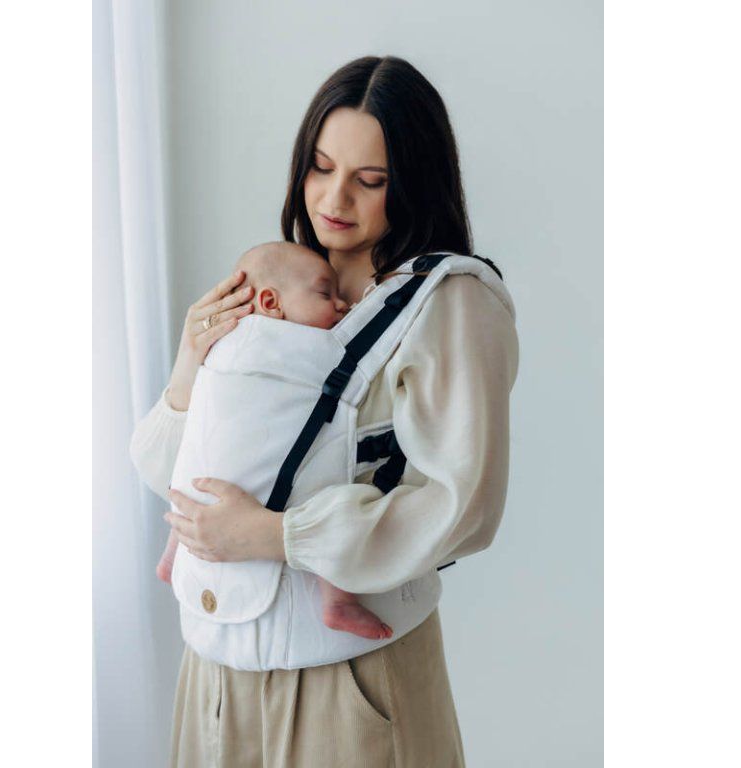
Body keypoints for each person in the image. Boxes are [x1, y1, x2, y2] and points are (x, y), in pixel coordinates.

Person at [129, 55, 519, 767]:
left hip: (348, 683)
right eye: (320, 167)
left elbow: (464, 508)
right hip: (213, 676)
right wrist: (191, 359)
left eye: (370, 180)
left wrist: (279, 535)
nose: (334, 198)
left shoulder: (448, 303)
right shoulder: (280, 281)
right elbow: (172, 472)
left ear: (414, 181)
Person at [157, 239, 394, 641]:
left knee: (190, 487)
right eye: (325, 294)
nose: (343, 306)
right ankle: (338, 600)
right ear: (270, 303)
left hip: (208, 466)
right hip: (250, 470)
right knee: (323, 490)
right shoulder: (300, 348)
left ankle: (170, 559)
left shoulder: (222, 342)